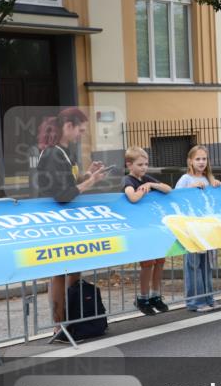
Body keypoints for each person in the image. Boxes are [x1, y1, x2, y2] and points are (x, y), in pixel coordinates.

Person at [36, 107, 111, 340]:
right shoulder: (51, 154)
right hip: (55, 220)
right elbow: (62, 194)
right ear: (67, 127)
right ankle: (59, 325)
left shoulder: (66, 152)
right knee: (59, 273)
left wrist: (89, 174)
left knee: (74, 270)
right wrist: (90, 183)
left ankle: (74, 319)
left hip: (68, 219)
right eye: (80, 130)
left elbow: (71, 181)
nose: (81, 134)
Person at [122, 146, 172, 315]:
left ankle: (155, 295)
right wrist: (141, 191)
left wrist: (150, 183)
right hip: (140, 228)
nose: (144, 168)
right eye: (140, 164)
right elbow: (132, 197)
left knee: (160, 261)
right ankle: (142, 298)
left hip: (154, 226)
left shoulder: (146, 178)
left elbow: (168, 188)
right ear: (130, 165)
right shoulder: (128, 181)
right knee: (147, 264)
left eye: (146, 164)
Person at [175, 145, 221, 312]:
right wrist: (190, 188)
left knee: (206, 265)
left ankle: (208, 297)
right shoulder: (185, 178)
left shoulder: (209, 178)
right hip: (191, 228)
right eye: (198, 159)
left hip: (207, 228)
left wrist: (216, 185)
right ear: (190, 161)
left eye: (204, 159)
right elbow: (176, 196)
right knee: (193, 265)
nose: (201, 162)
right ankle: (195, 301)